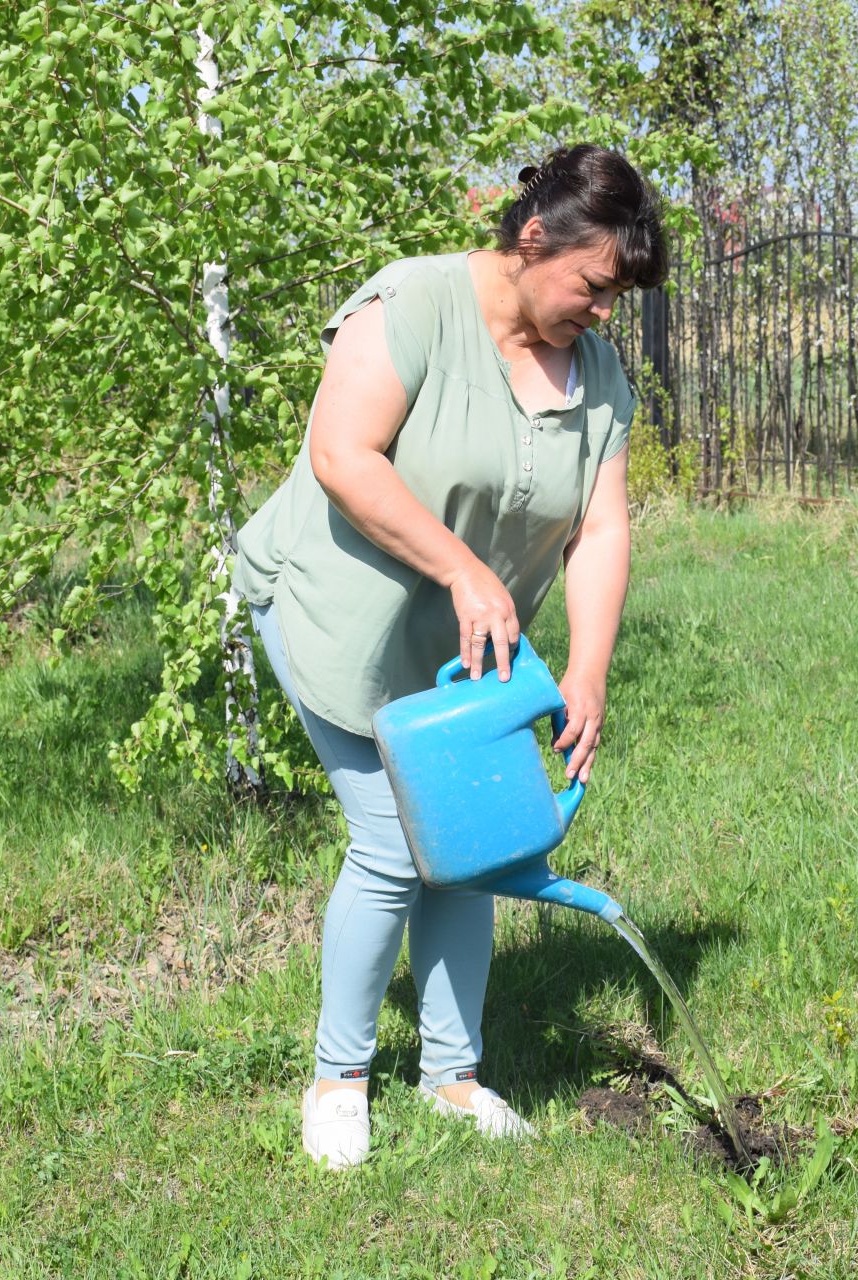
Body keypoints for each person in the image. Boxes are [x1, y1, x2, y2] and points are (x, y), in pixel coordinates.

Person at [229, 143, 670, 1170]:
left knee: (471, 846)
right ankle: (337, 1078)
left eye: (618, 298)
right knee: (391, 841)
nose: (604, 313)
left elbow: (599, 532)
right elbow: (340, 454)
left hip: (461, 656)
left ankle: (452, 1077)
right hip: (340, 613)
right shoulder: (414, 304)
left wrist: (589, 670)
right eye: (594, 286)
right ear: (532, 240)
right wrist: (467, 568)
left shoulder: (596, 375)